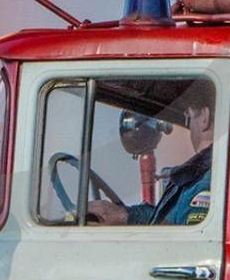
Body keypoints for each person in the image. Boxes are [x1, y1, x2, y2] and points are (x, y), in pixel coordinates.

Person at [86, 92, 212, 226]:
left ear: (204, 117)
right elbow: (170, 222)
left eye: (189, 118)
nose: (190, 127)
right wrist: (129, 215)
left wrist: (125, 216)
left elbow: (184, 238)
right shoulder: (197, 176)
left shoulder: (206, 182)